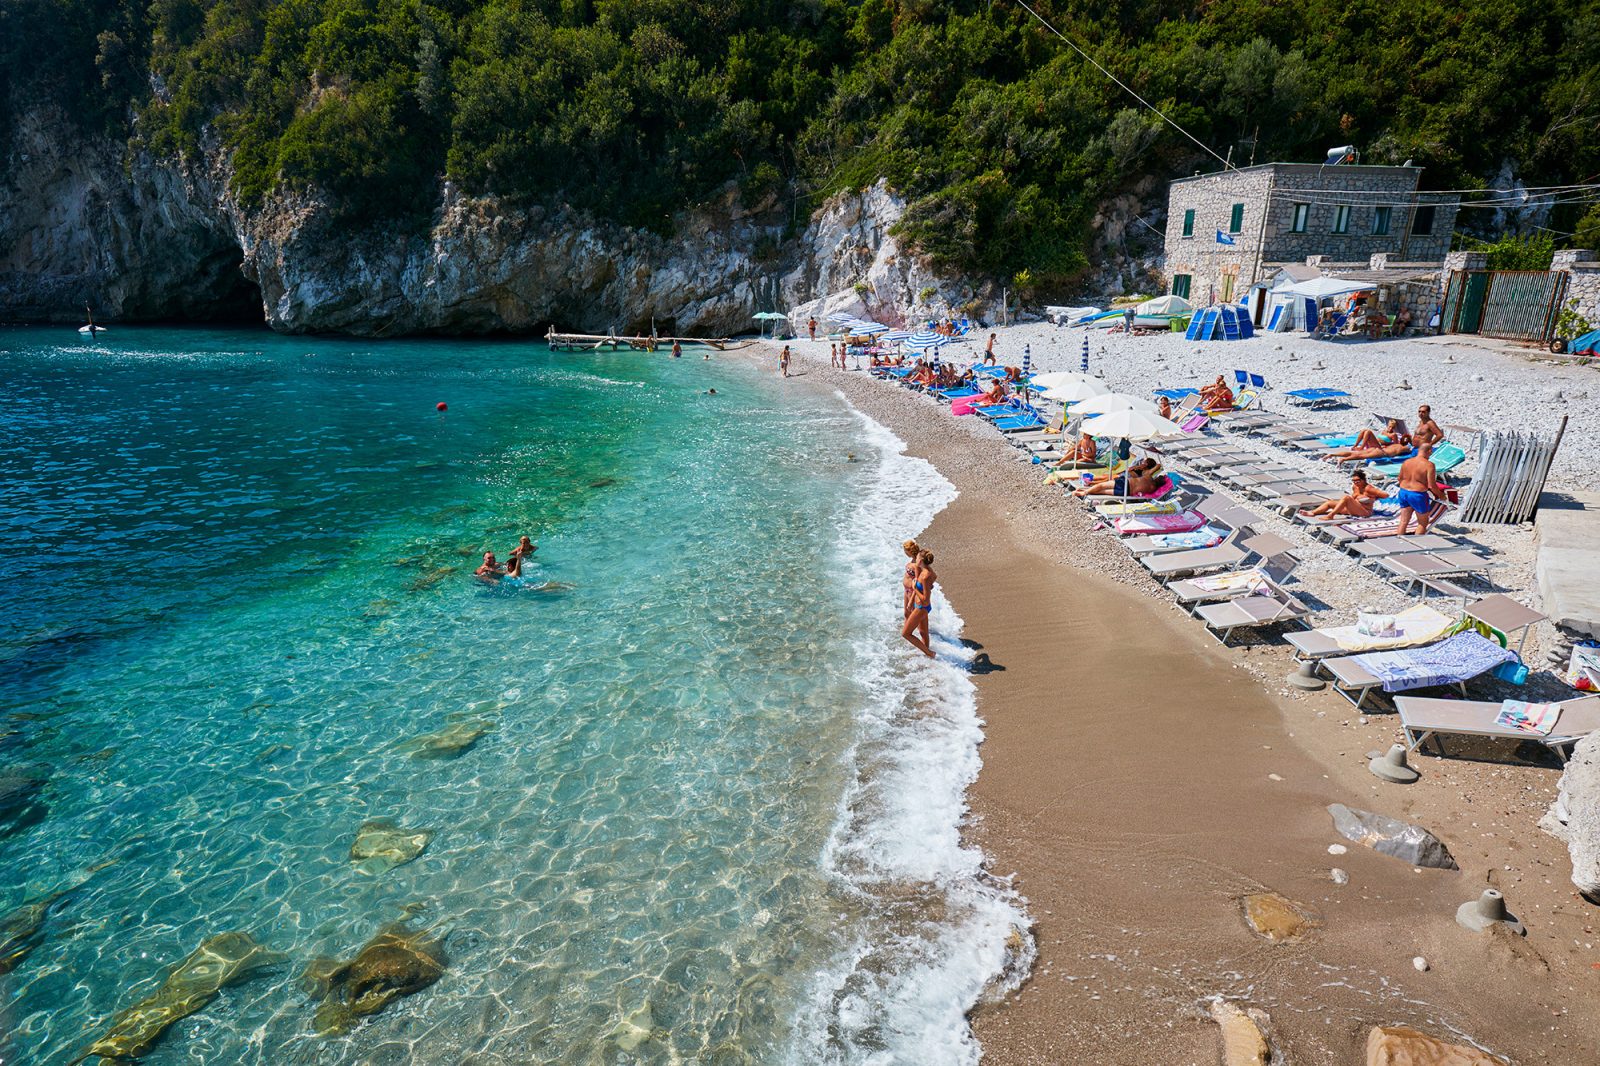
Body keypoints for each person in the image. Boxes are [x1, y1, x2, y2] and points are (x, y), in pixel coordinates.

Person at [1395, 442, 1441, 535]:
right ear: (1429, 451)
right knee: (1422, 524)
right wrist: (1442, 496)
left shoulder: (1407, 461)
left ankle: (1398, 543)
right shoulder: (1429, 465)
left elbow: (1399, 478)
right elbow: (1431, 485)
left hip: (1403, 492)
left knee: (1403, 521)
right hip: (1417, 495)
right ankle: (1416, 546)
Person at [1300, 471, 1388, 519]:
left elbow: (1386, 495)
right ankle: (1312, 512)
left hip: (1365, 512)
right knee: (1329, 503)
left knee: (1346, 497)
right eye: (1354, 481)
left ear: (1363, 480)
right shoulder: (1355, 487)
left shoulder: (1368, 489)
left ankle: (1331, 515)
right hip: (1353, 509)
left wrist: (1374, 498)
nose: (1356, 482)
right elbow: (1354, 497)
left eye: (1358, 480)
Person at [901, 550, 936, 659]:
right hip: (921, 606)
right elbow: (935, 576)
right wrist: (929, 586)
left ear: (920, 560)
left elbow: (925, 599)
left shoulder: (924, 576)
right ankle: (928, 658)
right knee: (923, 632)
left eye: (916, 557)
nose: (915, 559)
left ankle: (929, 653)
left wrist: (915, 588)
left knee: (906, 634)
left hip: (921, 607)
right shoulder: (927, 571)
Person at [901, 539, 921, 619]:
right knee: (906, 614)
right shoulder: (913, 560)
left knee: (913, 615)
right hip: (907, 590)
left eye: (905, 551)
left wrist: (912, 599)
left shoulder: (917, 564)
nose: (904, 553)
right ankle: (907, 631)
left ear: (909, 551)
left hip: (912, 592)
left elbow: (917, 582)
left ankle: (916, 630)